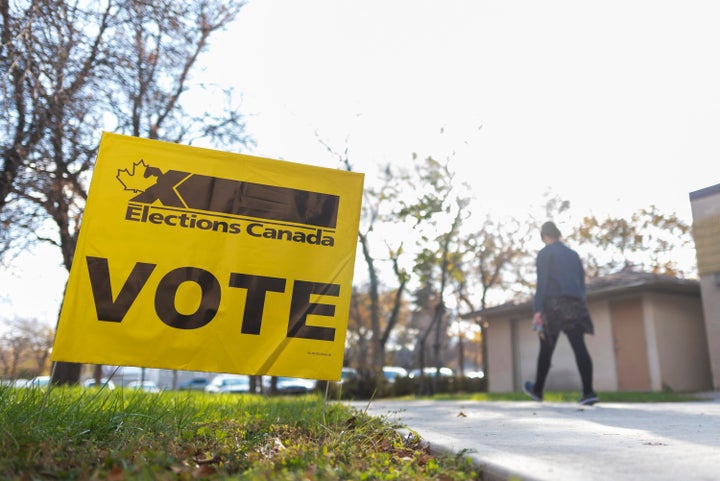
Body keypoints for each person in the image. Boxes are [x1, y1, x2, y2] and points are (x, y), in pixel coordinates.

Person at [523, 221, 598, 406]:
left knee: (546, 348)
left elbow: (542, 283)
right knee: (579, 346)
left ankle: (538, 390)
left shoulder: (545, 252)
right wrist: (580, 303)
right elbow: (581, 284)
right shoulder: (573, 255)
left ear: (544, 236)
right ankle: (588, 392)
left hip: (553, 305)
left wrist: (538, 310)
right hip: (575, 304)